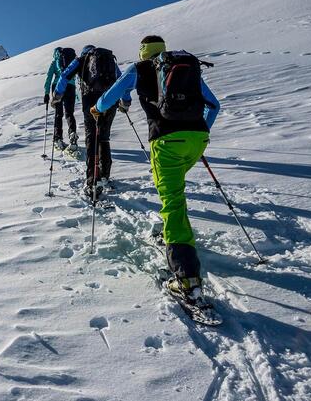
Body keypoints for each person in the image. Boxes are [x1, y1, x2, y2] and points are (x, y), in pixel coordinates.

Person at [90, 35, 220, 301]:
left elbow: (110, 97)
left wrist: (96, 107)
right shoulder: (182, 66)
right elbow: (214, 105)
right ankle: (170, 233)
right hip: (197, 141)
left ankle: (187, 279)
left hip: (166, 143)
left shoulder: (139, 69)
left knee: (172, 200)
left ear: (142, 51)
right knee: (174, 193)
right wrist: (198, 130)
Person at [52, 45, 124, 196]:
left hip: (91, 103)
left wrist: (57, 96)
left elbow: (64, 76)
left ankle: (92, 181)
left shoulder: (81, 60)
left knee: (92, 139)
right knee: (104, 138)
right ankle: (105, 176)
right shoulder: (109, 59)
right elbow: (121, 80)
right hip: (110, 103)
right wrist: (125, 101)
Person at [43, 47, 78, 151]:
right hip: (71, 87)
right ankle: (72, 135)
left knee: (59, 114)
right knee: (69, 113)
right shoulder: (71, 61)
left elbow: (49, 78)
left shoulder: (55, 62)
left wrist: (46, 93)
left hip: (57, 88)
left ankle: (58, 138)